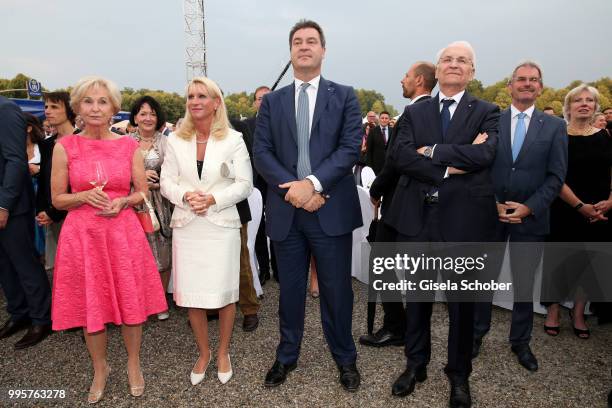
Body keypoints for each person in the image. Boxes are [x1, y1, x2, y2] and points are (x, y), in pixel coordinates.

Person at [387, 41, 500, 407]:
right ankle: (415, 364)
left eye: (462, 60)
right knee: (416, 300)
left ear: (472, 71)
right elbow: (402, 157)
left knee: (461, 306)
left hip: (463, 223)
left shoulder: (487, 111)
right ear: (437, 70)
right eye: (447, 59)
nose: (454, 64)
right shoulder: (414, 112)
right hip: (417, 220)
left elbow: (485, 154)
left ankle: (459, 375)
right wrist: (455, 164)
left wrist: (433, 152)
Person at [254, 19, 363, 392]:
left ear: (323, 50)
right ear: (290, 50)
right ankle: (286, 356)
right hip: (287, 211)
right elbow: (262, 152)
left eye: (312, 41)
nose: (304, 46)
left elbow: (349, 149)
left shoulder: (345, 95)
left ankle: (345, 358)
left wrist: (313, 185)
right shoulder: (272, 101)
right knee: (291, 290)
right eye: (298, 41)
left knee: (337, 290)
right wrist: (294, 191)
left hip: (329, 208)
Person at [50, 76, 167, 403]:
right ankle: (100, 368)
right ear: (77, 108)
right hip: (83, 236)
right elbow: (58, 199)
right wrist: (84, 196)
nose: (96, 107)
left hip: (121, 232)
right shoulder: (65, 147)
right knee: (92, 304)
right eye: (89, 101)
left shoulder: (127, 145)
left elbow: (142, 192)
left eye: (103, 101)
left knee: (130, 300)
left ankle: (132, 363)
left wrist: (123, 201)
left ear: (114, 108)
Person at [472, 62, 568, 372]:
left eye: (533, 81)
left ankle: (521, 341)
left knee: (524, 284)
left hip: (531, 219)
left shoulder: (555, 127)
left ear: (540, 88)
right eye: (521, 80)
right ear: (510, 86)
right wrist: (494, 203)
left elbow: (556, 176)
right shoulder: (492, 121)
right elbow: (479, 166)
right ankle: (475, 334)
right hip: (491, 215)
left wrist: (529, 207)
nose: (527, 84)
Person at [160, 76, 252, 386]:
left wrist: (213, 198)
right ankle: (204, 352)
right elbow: (166, 182)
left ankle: (223, 351)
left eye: (202, 95)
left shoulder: (233, 139)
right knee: (192, 295)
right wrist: (186, 196)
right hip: (188, 226)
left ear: (216, 103)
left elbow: (244, 184)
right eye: (190, 96)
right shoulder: (174, 139)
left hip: (221, 224)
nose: (195, 101)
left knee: (225, 292)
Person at [359, 61, 436, 348]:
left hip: (403, 202)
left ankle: (397, 327)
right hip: (419, 201)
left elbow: (395, 160)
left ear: (418, 80)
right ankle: (405, 327)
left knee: (383, 263)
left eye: (405, 76)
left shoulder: (413, 113)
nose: (401, 80)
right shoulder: (437, 112)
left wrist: (377, 189)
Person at [542, 84, 612, 340]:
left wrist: (610, 201)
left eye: (590, 100)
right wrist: (581, 207)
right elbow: (554, 177)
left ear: (595, 106)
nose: (584, 104)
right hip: (566, 208)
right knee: (559, 260)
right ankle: (553, 310)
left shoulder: (605, 136)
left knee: (591, 261)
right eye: (578, 100)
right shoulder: (558, 136)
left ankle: (579, 312)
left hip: (601, 211)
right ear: (568, 106)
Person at [0, 96, 52, 350]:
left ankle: (42, 318)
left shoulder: (6, 109)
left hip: (11, 206)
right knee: (4, 265)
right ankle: (19, 313)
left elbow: (15, 160)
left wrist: (4, 204)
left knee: (24, 263)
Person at [129, 96, 172, 320]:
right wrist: (139, 176)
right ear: (135, 116)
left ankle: (161, 300)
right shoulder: (124, 142)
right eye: (143, 113)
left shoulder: (167, 142)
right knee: (137, 253)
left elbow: (176, 172)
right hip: (134, 204)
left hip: (161, 202)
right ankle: (140, 301)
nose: (147, 118)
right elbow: (116, 172)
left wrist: (158, 181)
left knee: (164, 252)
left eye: (152, 113)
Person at [37, 92, 75, 271]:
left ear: (69, 110)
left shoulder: (80, 140)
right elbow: (44, 180)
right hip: (52, 218)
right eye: (46, 107)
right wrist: (43, 210)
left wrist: (54, 213)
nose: (47, 111)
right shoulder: (46, 144)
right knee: (58, 268)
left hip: (74, 215)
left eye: (54, 107)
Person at [245, 85, 276, 285]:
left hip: (276, 182)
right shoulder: (245, 125)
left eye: (267, 98)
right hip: (255, 182)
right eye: (259, 99)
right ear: (255, 102)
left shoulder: (283, 123)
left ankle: (280, 269)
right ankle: (263, 269)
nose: (263, 102)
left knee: (277, 224)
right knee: (258, 225)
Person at [24, 113, 46, 259]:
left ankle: (41, 254)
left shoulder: (44, 147)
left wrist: (38, 170)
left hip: (39, 192)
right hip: (22, 193)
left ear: (28, 128)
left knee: (39, 225)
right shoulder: (12, 147)